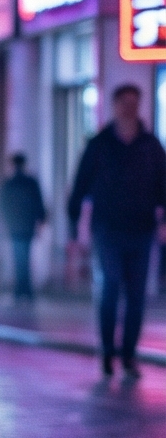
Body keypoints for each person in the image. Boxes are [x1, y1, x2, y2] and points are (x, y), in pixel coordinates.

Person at [67, 82, 166, 376]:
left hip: (142, 229)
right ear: (114, 106)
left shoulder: (151, 146)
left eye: (133, 103)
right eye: (123, 102)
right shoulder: (99, 145)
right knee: (110, 288)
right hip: (107, 229)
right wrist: (75, 228)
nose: (129, 108)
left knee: (136, 295)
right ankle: (108, 352)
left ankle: (129, 354)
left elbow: (164, 184)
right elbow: (80, 184)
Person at [0, 151, 47, 301]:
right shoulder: (30, 182)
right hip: (27, 226)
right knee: (24, 257)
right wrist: (40, 220)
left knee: (19, 257)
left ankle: (21, 289)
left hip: (15, 227)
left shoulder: (9, 184)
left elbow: (2, 206)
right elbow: (38, 204)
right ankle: (25, 289)